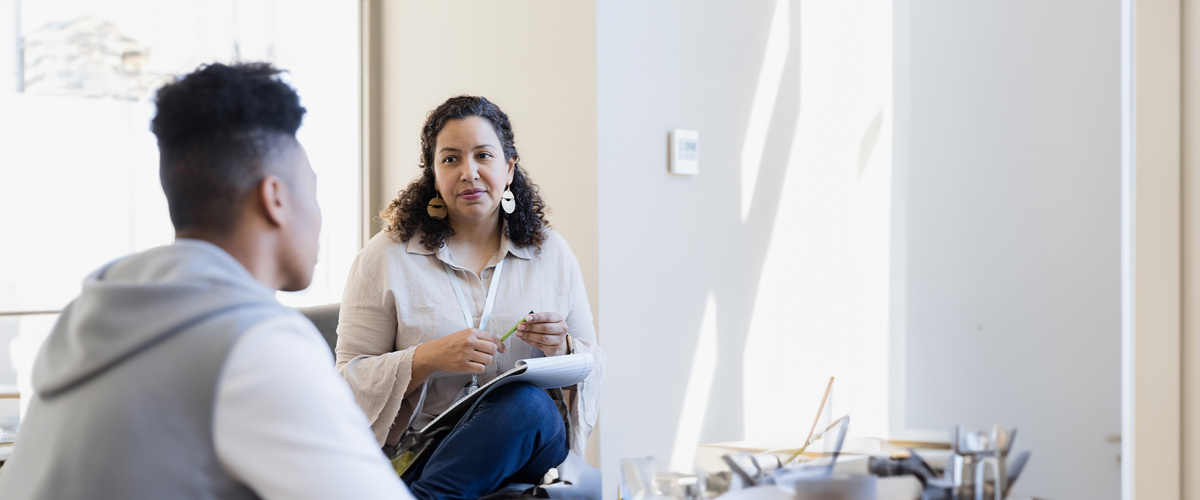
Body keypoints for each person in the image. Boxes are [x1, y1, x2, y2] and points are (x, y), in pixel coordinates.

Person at [0, 63, 414, 500]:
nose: (317, 216)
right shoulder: (257, 344)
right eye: (311, 191)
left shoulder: (83, 317)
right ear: (274, 198)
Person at [336, 95, 606, 500]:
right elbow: (347, 380)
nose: (469, 172)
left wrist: (563, 346)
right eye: (450, 159)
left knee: (526, 403)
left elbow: (592, 363)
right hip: (427, 448)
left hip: (532, 441)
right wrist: (427, 358)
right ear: (432, 172)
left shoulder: (551, 253)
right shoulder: (385, 256)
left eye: (484, 155)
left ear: (509, 167)